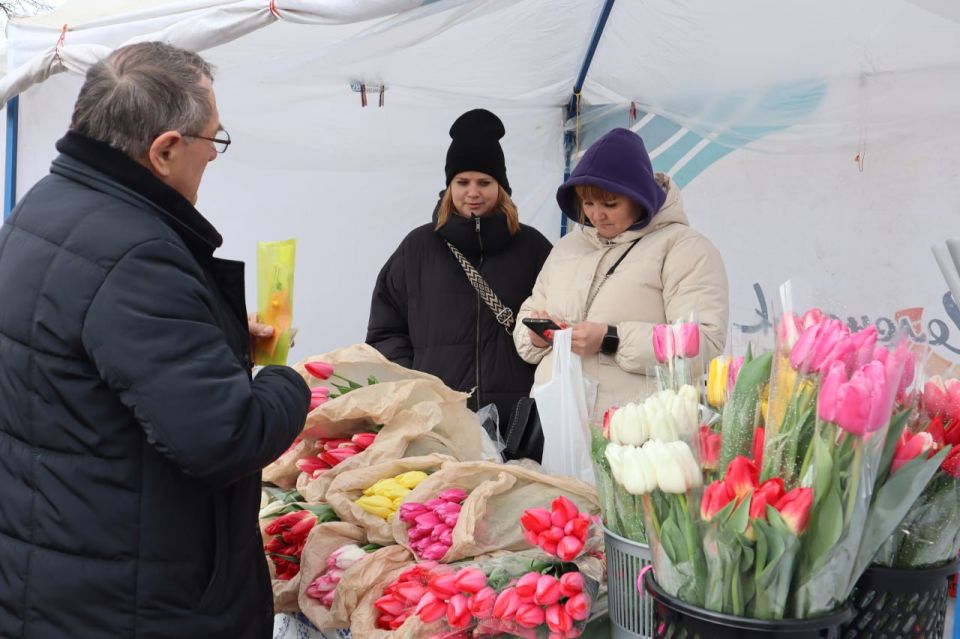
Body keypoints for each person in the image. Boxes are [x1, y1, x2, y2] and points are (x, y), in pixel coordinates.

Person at [0, 43, 310, 639]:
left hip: (56, 566)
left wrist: (212, 333)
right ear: (165, 150)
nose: (214, 157)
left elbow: (86, 353)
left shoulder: (46, 204)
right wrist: (282, 379)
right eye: (213, 141)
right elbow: (226, 436)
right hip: (132, 599)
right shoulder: (135, 254)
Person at [514, 127, 729, 420]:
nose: (596, 215)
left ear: (639, 198)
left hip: (635, 435)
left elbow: (704, 344)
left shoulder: (684, 249)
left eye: (610, 204)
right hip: (554, 424)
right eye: (587, 203)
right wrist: (538, 334)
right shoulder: (567, 248)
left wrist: (610, 339)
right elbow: (528, 319)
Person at [366, 109, 552, 430]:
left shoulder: (533, 248)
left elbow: (558, 325)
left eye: (484, 182)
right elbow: (385, 330)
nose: (473, 192)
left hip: (518, 423)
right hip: (437, 422)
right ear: (449, 185)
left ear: (502, 186)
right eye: (462, 182)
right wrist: (414, 383)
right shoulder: (417, 248)